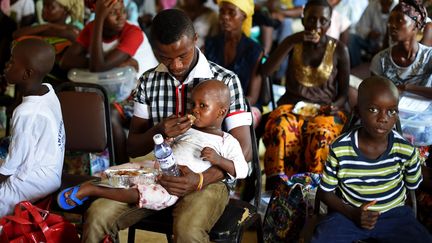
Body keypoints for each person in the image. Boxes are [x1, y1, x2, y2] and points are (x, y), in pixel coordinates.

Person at [82, 9, 252, 243]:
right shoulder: (149, 82)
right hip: (156, 176)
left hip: (208, 181)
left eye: (182, 54)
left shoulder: (225, 81)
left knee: (188, 229)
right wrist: (158, 130)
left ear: (195, 40)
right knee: (97, 215)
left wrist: (200, 179)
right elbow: (133, 147)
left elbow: (245, 152)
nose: (176, 65)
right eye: (165, 57)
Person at [56, 80, 248, 213]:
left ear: (221, 111)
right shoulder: (188, 129)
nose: (194, 110)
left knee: (144, 194)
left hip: (172, 186)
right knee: (123, 171)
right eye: (193, 104)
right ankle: (94, 181)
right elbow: (168, 147)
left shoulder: (226, 141)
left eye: (202, 106)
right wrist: (167, 140)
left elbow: (242, 169)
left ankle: (92, 190)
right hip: (154, 169)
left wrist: (219, 160)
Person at [312, 76, 431, 243]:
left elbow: (412, 185)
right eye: (374, 109)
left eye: (391, 111)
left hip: (394, 216)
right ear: (358, 111)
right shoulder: (340, 148)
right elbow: (325, 192)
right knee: (322, 238)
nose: (383, 118)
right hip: (349, 215)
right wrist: (352, 213)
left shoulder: (406, 150)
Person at [260, 0, 349, 190]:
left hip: (325, 110)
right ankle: (280, 188)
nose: (316, 26)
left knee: (322, 134)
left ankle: (316, 189)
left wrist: (336, 105)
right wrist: (292, 41)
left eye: (323, 21)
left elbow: (344, 94)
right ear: (303, 19)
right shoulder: (294, 42)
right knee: (280, 128)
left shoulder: (339, 49)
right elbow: (266, 71)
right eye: (311, 19)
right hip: (291, 107)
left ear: (330, 22)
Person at [60, 0, 158, 164]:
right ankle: (83, 165)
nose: (121, 16)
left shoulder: (133, 32)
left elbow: (98, 66)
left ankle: (121, 167)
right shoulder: (91, 29)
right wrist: (101, 64)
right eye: (113, 13)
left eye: (122, 10)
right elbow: (66, 61)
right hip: (117, 96)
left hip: (146, 98)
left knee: (109, 112)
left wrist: (98, 64)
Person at [0, 38, 65, 217]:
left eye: (12, 61)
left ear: (27, 74)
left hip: (33, 179)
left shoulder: (25, 112)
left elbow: (13, 162)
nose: (7, 64)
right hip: (50, 171)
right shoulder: (48, 90)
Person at [205, 0, 264, 126]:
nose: (225, 17)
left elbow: (253, 97)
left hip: (245, 103)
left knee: (237, 122)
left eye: (232, 12)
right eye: (222, 12)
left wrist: (224, 108)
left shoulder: (254, 50)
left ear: (244, 16)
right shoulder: (211, 44)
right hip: (213, 104)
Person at [370, 0, 432, 100]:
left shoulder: (428, 56)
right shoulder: (380, 60)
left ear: (417, 24)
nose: (392, 25)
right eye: (390, 21)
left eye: (399, 20)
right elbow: (374, 95)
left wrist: (405, 88)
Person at [348, 0, 397, 68]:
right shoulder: (372, 6)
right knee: (352, 38)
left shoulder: (397, 8)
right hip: (372, 44)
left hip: (389, 46)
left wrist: (384, 45)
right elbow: (359, 27)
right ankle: (357, 67)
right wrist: (369, 32)